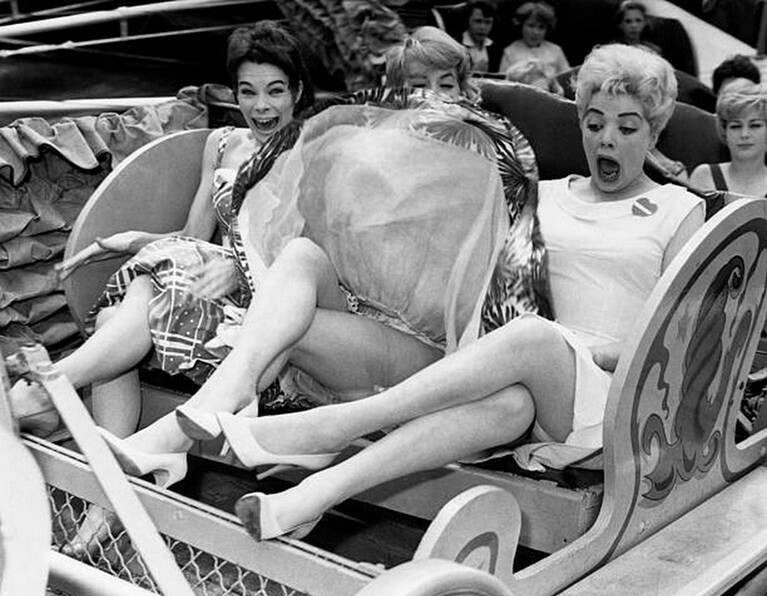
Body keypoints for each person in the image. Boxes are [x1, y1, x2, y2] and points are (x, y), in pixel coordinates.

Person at [176, 43, 705, 542]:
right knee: (510, 402)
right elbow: (481, 284)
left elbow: (679, 337)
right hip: (531, 391)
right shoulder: (540, 194)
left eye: (626, 127)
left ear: (654, 131)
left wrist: (580, 351)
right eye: (594, 124)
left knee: (534, 338)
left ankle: (333, 428)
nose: (607, 139)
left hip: (620, 397)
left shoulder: (680, 210)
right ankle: (311, 495)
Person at [91, 26, 545, 501]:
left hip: (430, 354)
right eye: (416, 85)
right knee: (299, 259)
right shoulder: (372, 152)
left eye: (444, 84)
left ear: (465, 91)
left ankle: (184, 426)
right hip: (355, 329)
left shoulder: (486, 167)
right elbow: (306, 238)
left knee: (276, 325)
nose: (431, 96)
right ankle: (219, 403)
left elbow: (485, 299)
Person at [10, 21, 314, 555]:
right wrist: (130, 239)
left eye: (275, 90)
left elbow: (315, 254)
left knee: (132, 305)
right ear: (234, 93)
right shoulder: (222, 143)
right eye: (248, 91)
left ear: (298, 92)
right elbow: (193, 236)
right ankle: (110, 493)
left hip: (271, 308)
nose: (261, 106)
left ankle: (50, 391)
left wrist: (239, 268)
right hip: (197, 283)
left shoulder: (315, 152)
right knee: (136, 298)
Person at [689, 83, 767, 198]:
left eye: (755, 125)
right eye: (736, 126)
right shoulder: (704, 176)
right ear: (724, 131)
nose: (744, 134)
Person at [498, 2, 569, 80]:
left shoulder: (556, 51)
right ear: (521, 25)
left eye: (541, 27)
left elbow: (568, 78)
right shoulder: (510, 52)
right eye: (531, 25)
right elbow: (502, 82)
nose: (536, 32)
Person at [460, 0, 499, 73]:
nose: (482, 27)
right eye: (478, 21)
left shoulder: (496, 48)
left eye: (488, 22)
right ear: (468, 20)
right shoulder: (456, 44)